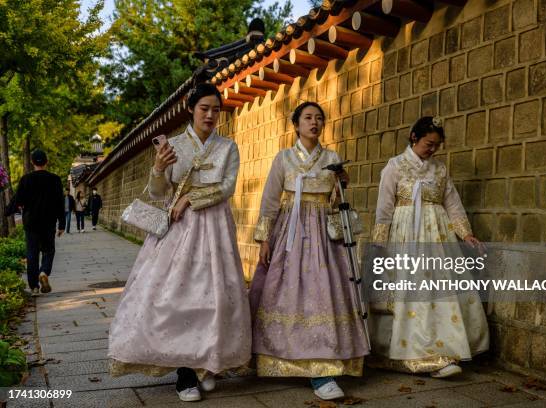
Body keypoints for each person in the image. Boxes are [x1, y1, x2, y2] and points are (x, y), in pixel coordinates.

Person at [108, 83, 251, 402]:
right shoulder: (172, 146)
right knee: (178, 298)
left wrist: (188, 199)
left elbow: (227, 188)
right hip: (179, 231)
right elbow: (159, 193)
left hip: (215, 229)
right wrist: (158, 168)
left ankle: (207, 364)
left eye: (216, 109)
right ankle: (185, 373)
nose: (211, 115)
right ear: (191, 109)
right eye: (204, 108)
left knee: (216, 297)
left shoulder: (228, 148)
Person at [249, 102, 369, 401]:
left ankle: (323, 367)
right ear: (296, 124)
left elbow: (335, 202)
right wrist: (264, 239)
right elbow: (269, 200)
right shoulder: (284, 158)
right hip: (289, 229)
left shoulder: (331, 157)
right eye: (308, 118)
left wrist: (342, 185)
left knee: (322, 294)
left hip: (322, 235)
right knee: (285, 291)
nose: (314, 122)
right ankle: (279, 358)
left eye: (319, 118)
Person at [369, 116, 489, 378]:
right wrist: (380, 242)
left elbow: (453, 204)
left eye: (436, 145)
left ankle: (445, 349)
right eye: (428, 143)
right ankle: (414, 352)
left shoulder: (440, 170)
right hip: (405, 235)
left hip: (437, 236)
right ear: (414, 137)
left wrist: (466, 234)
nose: (432, 149)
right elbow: (384, 207)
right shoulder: (395, 166)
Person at [10, 149, 65, 295]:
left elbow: (18, 200)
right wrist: (62, 224)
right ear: (46, 162)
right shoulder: (55, 179)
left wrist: (8, 211)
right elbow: (60, 203)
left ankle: (34, 287)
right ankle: (44, 272)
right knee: (48, 250)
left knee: (32, 253)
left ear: (32, 162)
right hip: (48, 222)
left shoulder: (26, 179)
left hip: (31, 222)